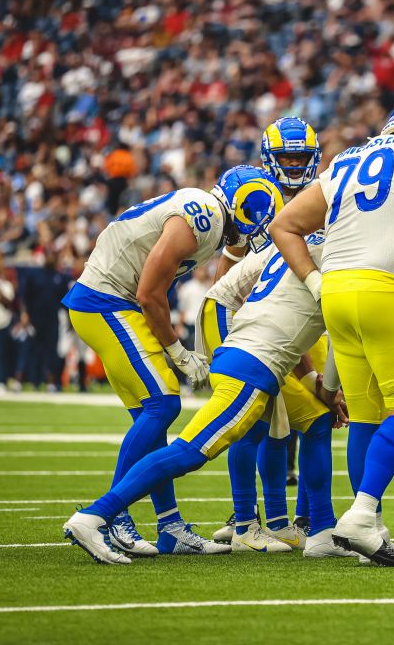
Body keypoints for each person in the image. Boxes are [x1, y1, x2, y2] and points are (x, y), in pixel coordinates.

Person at [63, 230, 350, 564]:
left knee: (314, 421)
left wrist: (316, 383)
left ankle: (321, 532)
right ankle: (97, 515)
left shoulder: (297, 244)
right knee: (189, 452)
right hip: (251, 363)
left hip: (244, 346)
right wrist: (328, 389)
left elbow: (288, 324)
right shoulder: (340, 259)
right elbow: (337, 335)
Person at [271, 103, 394, 567]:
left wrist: (315, 281)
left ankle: (369, 532)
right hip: (384, 286)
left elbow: (284, 225)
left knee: (365, 414)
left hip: (336, 290)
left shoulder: (348, 160)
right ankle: (362, 513)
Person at [60, 165, 282, 557]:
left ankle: (170, 526)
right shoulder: (204, 215)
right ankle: (111, 518)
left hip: (109, 301)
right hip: (109, 301)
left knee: (152, 416)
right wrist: (178, 351)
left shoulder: (204, 211)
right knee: (164, 404)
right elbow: (149, 292)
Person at [200, 116, 339, 554]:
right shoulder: (257, 194)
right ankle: (250, 518)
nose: (295, 165)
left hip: (310, 320)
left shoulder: (330, 192)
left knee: (298, 424)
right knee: (258, 422)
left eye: (301, 157)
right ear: (269, 159)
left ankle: (290, 518)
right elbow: (227, 271)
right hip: (265, 323)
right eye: (287, 157)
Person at [18, 254, 70, 391]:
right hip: (34, 320)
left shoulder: (60, 278)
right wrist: (24, 313)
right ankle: (23, 380)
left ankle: (51, 382)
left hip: (52, 320)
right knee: (30, 349)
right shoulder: (34, 275)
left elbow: (65, 302)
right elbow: (24, 296)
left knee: (51, 352)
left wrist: (71, 318)